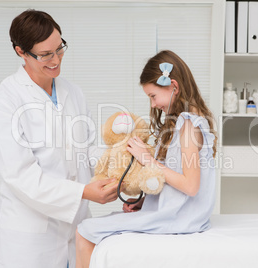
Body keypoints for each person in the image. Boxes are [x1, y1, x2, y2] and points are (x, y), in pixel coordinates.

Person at [0, 9, 118, 268]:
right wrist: (83, 193)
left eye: (60, 48)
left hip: (75, 231)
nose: (56, 59)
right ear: (20, 51)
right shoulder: (3, 104)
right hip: (29, 244)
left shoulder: (72, 92)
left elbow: (87, 148)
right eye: (45, 54)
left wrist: (120, 172)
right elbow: (21, 177)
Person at [75, 50, 217, 268]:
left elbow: (191, 186)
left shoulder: (188, 125)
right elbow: (174, 177)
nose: (152, 104)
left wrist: (148, 160)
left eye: (153, 96)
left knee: (85, 231)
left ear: (174, 87)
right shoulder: (184, 122)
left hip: (180, 218)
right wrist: (144, 202)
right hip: (178, 213)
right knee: (94, 227)